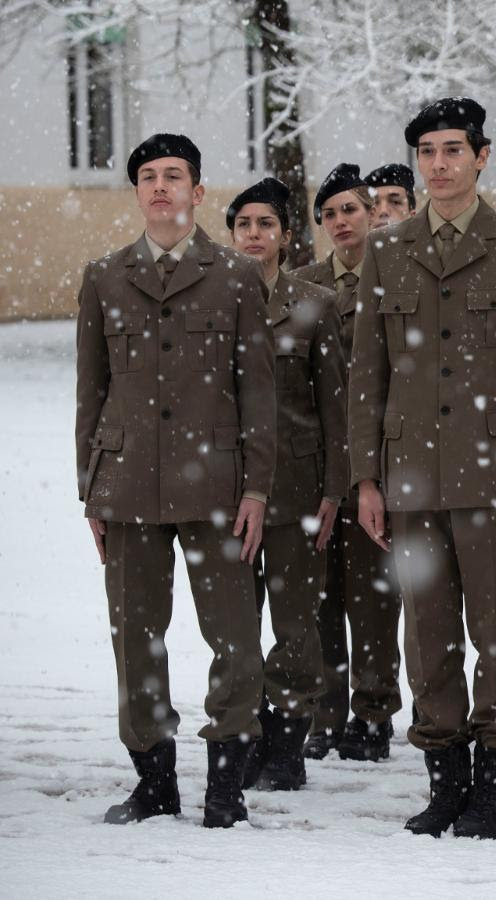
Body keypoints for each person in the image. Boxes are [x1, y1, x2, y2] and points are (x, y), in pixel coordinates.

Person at [346, 96, 496, 839]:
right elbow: (367, 374)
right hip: (409, 474)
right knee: (427, 636)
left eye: (452, 151)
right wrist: (366, 478)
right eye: (427, 153)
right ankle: (445, 779)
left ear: (480, 158)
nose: (438, 165)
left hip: (492, 475)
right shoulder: (388, 247)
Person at [80, 133, 276, 828]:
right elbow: (92, 392)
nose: (161, 187)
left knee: (235, 639)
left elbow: (257, 392)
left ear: (198, 192)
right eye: (149, 177)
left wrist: (256, 487)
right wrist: (90, 491)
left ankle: (226, 782)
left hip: (217, 487)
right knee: (136, 639)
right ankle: (154, 779)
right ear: (137, 192)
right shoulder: (104, 277)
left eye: (175, 176)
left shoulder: (235, 277)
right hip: (127, 485)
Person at [227, 177, 346, 792]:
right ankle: (243, 737)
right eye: (244, 224)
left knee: (297, 624)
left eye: (265, 224)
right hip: (223, 488)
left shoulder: (314, 305)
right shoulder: (211, 302)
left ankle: (286, 740)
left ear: (286, 235)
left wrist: (333, 492)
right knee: (235, 625)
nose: (254, 234)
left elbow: (335, 408)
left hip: (298, 488)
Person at [291, 164, 402, 763]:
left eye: (350, 210)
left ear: (371, 213)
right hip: (315, 461)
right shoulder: (304, 284)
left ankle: (374, 711)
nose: (340, 221)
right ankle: (325, 711)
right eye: (329, 213)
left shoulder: (394, 275)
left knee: (374, 595)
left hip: (376, 458)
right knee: (319, 594)